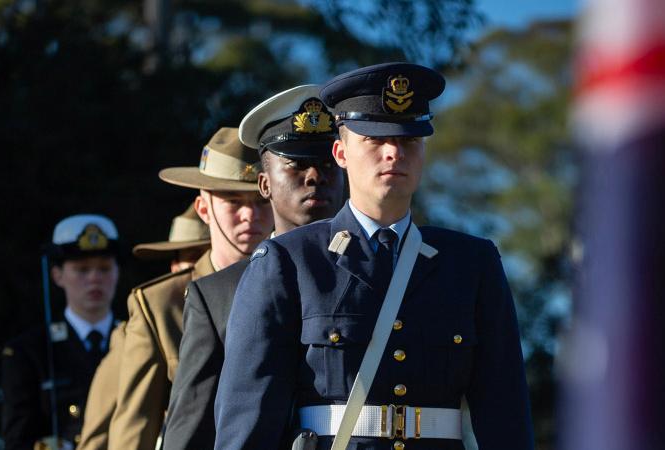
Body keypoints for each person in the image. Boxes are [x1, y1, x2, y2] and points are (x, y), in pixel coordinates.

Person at [213, 63, 535, 450]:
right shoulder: (290, 261)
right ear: (341, 152)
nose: (393, 153)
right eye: (374, 139)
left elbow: (506, 415)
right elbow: (250, 421)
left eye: (409, 141)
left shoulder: (472, 263)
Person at [163, 85, 345, 450]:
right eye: (296, 164)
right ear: (264, 184)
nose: (315, 177)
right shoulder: (217, 295)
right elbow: (191, 429)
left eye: (327, 164)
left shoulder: (385, 276)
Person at [105, 127, 274, 450]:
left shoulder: (300, 287)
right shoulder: (160, 305)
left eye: (260, 201)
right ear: (203, 209)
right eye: (233, 201)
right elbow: (134, 431)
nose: (249, 215)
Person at [77, 207, 210, 450]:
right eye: (194, 257)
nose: (203, 265)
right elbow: (101, 434)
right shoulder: (144, 329)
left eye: (209, 255)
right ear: (175, 266)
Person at [2, 214, 121, 450]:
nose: (95, 279)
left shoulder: (139, 341)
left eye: (104, 268)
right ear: (57, 275)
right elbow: (18, 440)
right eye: (82, 269)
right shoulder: (29, 352)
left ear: (117, 272)